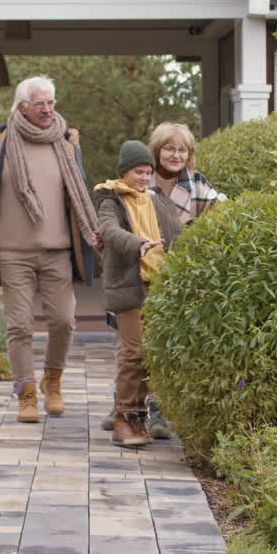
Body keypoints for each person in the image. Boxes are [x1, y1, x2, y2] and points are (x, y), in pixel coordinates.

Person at [0, 76, 100, 424]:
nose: (48, 110)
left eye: (51, 103)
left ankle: (53, 382)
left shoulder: (65, 142)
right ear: (22, 107)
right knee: (19, 326)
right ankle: (26, 394)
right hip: (12, 250)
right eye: (40, 105)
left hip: (57, 249)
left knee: (64, 321)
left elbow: (77, 192)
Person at [97, 122, 226, 435]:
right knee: (131, 347)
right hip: (133, 273)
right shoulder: (137, 181)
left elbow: (215, 217)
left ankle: (153, 409)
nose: (176, 155)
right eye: (169, 148)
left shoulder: (197, 185)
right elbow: (111, 225)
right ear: (156, 153)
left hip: (172, 273)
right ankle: (127, 409)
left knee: (156, 345)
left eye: (182, 150)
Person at [94, 140, 183, 447]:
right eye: (137, 172)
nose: (144, 178)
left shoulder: (159, 201)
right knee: (134, 353)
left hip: (159, 288)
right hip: (129, 288)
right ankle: (124, 420)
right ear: (124, 172)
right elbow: (109, 230)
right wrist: (138, 244)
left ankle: (140, 421)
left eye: (147, 172)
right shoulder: (111, 200)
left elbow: (179, 236)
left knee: (152, 355)